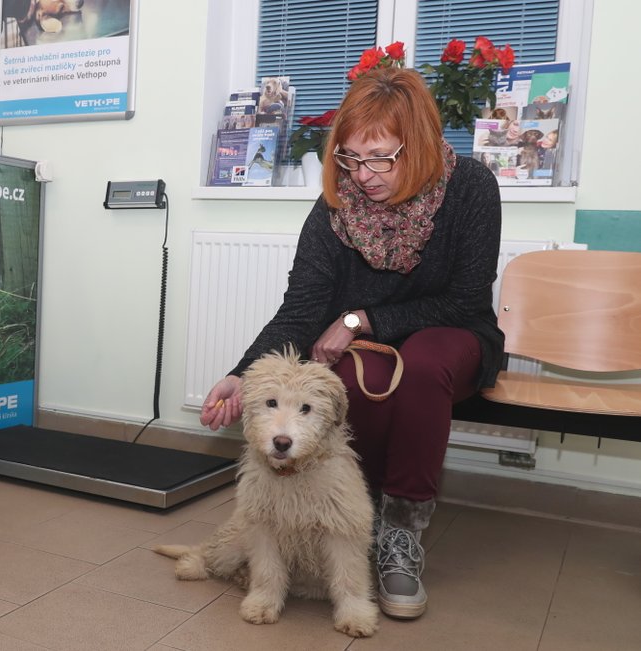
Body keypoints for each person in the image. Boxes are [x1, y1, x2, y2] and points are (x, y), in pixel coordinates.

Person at [199, 66, 504, 621]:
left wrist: (361, 319)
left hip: (452, 334)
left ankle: (401, 534)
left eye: (381, 157)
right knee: (338, 382)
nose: (363, 174)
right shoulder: (335, 205)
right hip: (368, 348)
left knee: (421, 365)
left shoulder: (472, 188)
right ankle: (354, 523)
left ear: (420, 145)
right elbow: (300, 309)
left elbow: (464, 301)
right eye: (350, 158)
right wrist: (241, 375)